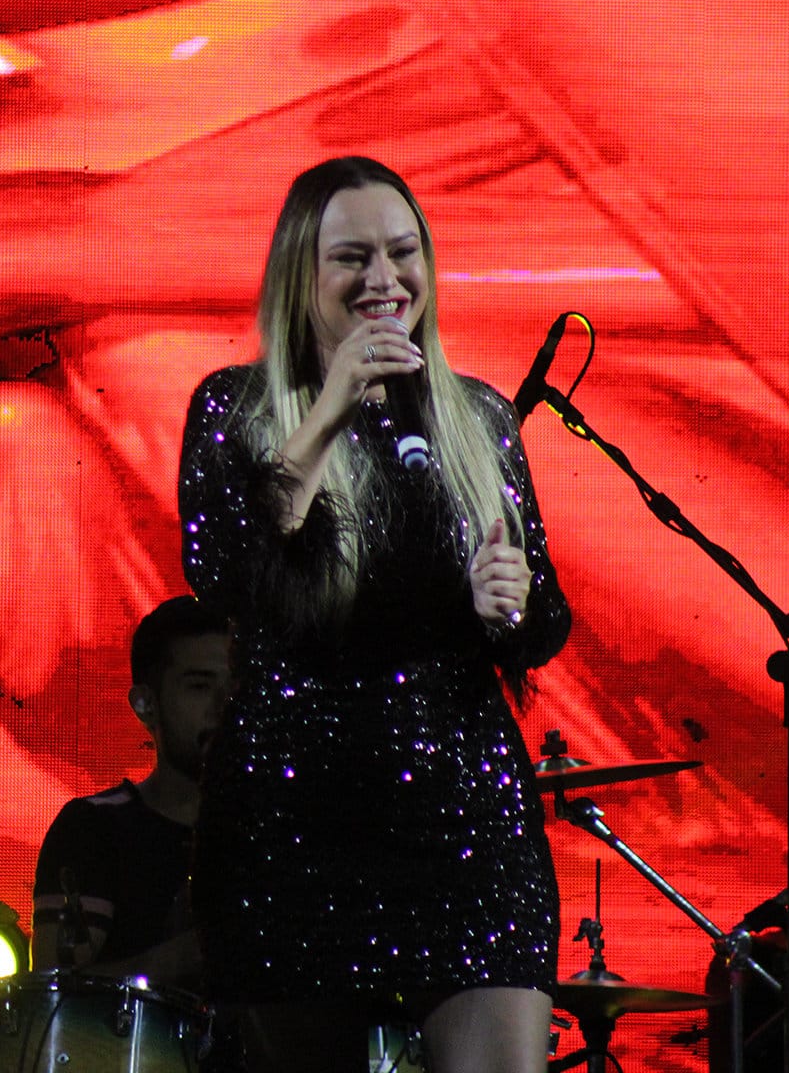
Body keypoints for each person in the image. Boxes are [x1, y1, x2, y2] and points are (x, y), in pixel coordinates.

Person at [177, 157, 572, 1073]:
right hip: (294, 824)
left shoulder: (479, 418)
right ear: (301, 277)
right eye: (352, 259)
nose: (384, 280)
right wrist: (328, 410)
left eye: (403, 253)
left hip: (466, 820)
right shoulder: (236, 407)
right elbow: (225, 570)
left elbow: (544, 622)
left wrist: (509, 603)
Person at [30, 595, 231, 984]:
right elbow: (55, 996)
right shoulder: (93, 828)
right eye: (200, 686)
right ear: (145, 704)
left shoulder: (283, 830)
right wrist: (189, 955)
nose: (225, 706)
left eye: (236, 686)